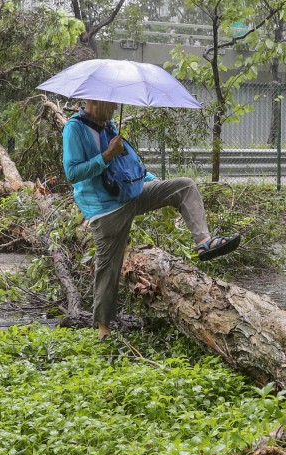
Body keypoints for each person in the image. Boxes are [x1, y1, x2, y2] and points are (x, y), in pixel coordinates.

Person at [62, 99, 239, 340]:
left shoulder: (109, 125)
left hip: (130, 192)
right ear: (95, 101)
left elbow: (130, 165)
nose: (114, 108)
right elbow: (72, 173)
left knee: (183, 187)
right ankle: (103, 331)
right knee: (108, 268)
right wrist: (106, 155)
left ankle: (204, 241)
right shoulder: (75, 128)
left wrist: (152, 181)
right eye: (111, 103)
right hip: (106, 208)